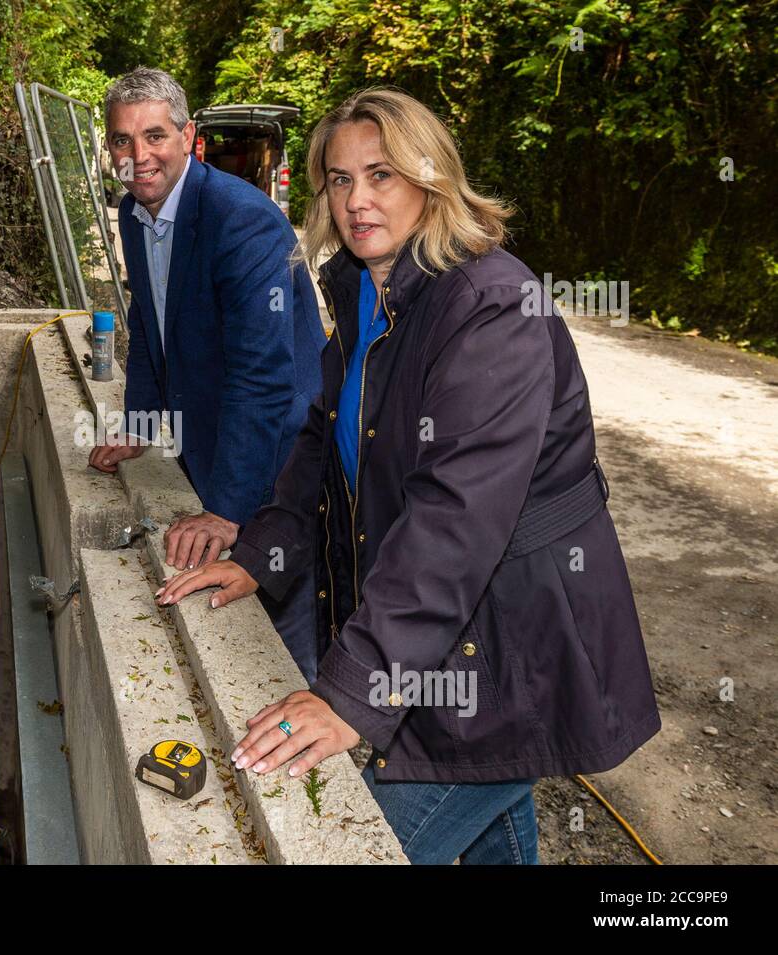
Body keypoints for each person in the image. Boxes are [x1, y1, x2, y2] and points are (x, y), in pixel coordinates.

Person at [156, 87, 660, 864]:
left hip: (510, 641)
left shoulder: (494, 310)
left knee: (362, 839)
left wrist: (350, 692)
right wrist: (260, 554)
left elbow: (454, 523)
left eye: (381, 174)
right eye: (339, 179)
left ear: (431, 178)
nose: (357, 200)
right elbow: (324, 444)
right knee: (490, 815)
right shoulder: (367, 288)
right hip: (441, 639)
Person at [88, 66, 328, 679]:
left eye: (155, 137)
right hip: (207, 439)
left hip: (274, 461)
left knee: (276, 628)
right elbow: (148, 319)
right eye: (122, 139)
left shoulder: (239, 219)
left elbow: (263, 378)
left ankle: (306, 738)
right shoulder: (133, 214)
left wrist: (227, 508)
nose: (138, 156)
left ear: (189, 137)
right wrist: (140, 423)